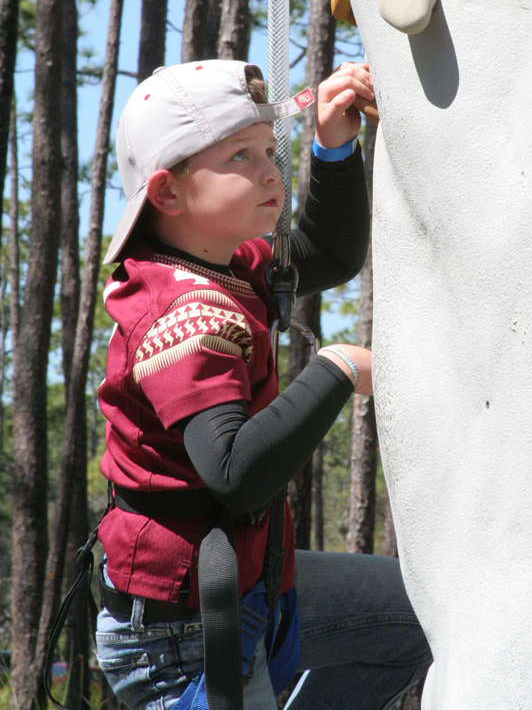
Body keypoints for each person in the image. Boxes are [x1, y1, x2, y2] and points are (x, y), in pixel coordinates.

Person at [95, 59, 431, 710]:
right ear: (167, 192)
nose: (268, 170)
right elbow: (234, 471)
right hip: (184, 636)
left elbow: (325, 256)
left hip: (241, 580)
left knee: (414, 616)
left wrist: (333, 148)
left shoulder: (223, 264)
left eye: (267, 150)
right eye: (240, 156)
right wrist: (336, 369)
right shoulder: (186, 314)